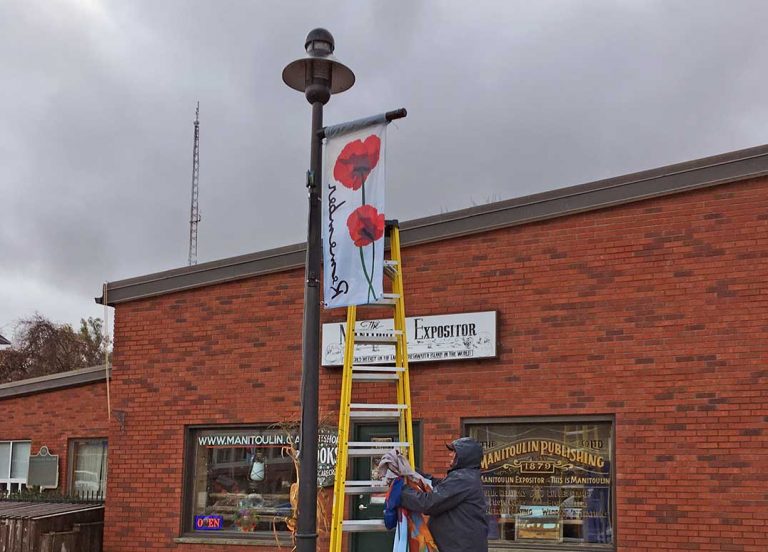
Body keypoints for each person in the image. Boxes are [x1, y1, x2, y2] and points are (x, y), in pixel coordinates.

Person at [398, 437, 489, 552]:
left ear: (465, 457)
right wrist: (413, 472)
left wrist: (401, 490)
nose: (451, 454)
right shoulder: (465, 477)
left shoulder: (463, 479)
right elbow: (437, 485)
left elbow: (429, 503)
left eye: (454, 452)